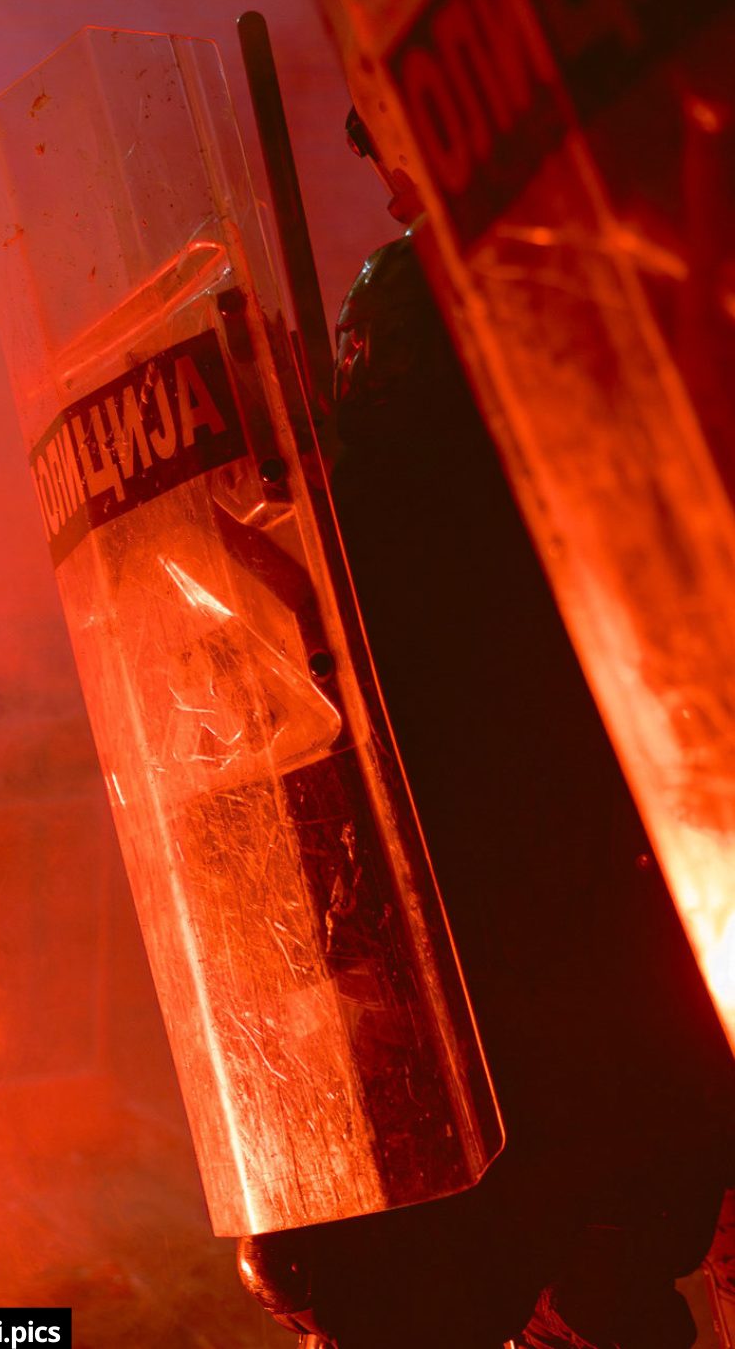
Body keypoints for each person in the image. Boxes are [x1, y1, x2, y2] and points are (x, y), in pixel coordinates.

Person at [238, 111, 734, 1349]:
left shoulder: (433, 289)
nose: (372, 159)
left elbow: (405, 564)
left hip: (566, 878)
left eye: (375, 127)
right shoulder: (621, 241)